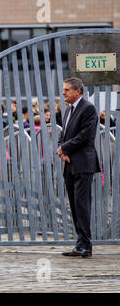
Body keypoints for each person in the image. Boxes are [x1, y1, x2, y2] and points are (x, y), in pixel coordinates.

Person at [57, 77, 101, 258]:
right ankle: (80, 243)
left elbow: (86, 135)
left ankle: (86, 245)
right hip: (69, 163)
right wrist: (61, 149)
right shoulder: (68, 110)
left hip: (83, 163)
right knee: (74, 205)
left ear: (78, 91)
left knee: (82, 204)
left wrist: (65, 147)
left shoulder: (88, 108)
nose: (64, 93)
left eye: (67, 90)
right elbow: (64, 134)